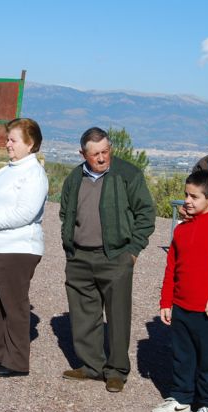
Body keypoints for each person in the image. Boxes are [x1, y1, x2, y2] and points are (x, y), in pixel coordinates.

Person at [59, 127, 156, 393]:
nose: (102, 158)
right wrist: (69, 246)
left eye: (105, 151)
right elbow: (66, 212)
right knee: (83, 314)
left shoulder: (128, 175)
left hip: (116, 257)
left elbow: (146, 214)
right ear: (83, 154)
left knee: (118, 315)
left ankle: (116, 371)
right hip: (79, 256)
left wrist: (133, 251)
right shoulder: (74, 178)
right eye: (95, 154)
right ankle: (91, 366)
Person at [151, 170, 208, 412]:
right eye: (186, 194)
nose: (187, 200)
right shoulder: (182, 231)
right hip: (182, 306)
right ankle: (182, 399)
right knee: (182, 357)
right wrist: (166, 301)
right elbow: (171, 267)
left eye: (194, 196)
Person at [0, 118, 48, 378]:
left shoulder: (34, 173)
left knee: (14, 305)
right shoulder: (4, 171)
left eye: (13, 140)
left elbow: (25, 212)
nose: (7, 144)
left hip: (17, 248)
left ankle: (17, 361)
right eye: (8, 139)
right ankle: (1, 351)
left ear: (30, 144)